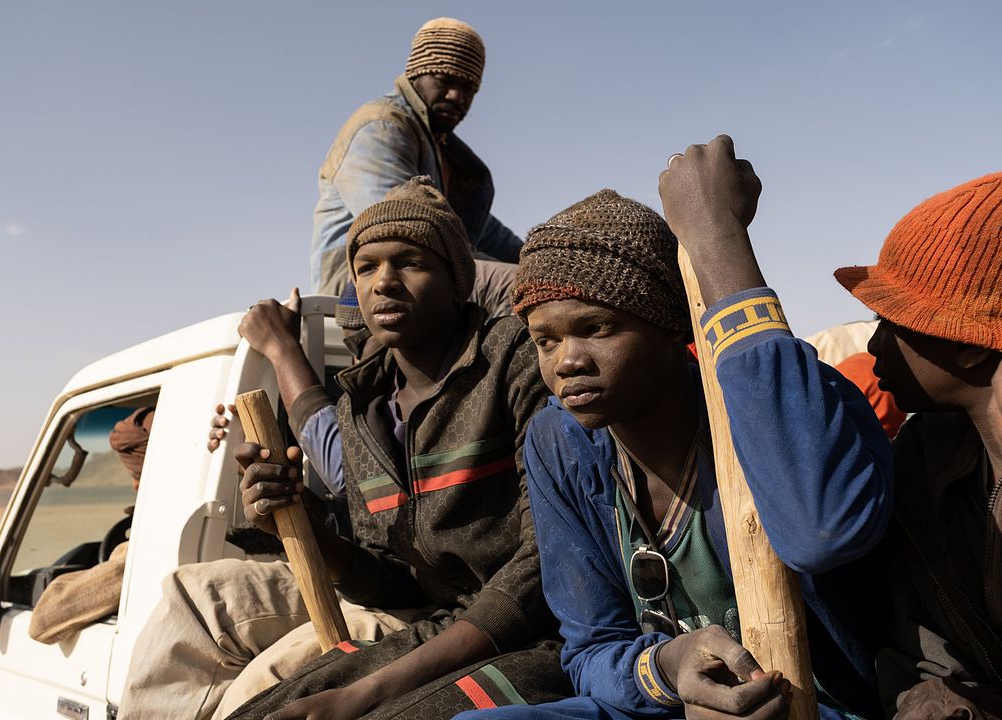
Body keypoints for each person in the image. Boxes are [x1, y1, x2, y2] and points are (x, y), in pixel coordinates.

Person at [456, 161, 893, 720]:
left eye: (597, 328)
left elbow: (820, 534)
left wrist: (718, 235)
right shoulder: (559, 442)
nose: (567, 361)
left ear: (669, 324)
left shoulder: (784, 397)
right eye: (544, 340)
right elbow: (590, 648)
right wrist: (667, 666)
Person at [119, 178, 569, 720]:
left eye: (411, 262)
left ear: (458, 281)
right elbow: (394, 577)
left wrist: (368, 691)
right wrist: (304, 524)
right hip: (441, 622)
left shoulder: (515, 364)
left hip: (543, 634)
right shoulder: (363, 407)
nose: (384, 283)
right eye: (368, 268)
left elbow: (545, 565)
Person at [832, 172, 1002, 717]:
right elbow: (929, 637)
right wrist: (932, 691)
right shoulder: (928, 452)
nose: (875, 341)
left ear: (970, 346)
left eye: (892, 320)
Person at [311, 17, 520, 317]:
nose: (457, 97)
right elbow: (403, 229)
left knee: (549, 277)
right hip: (358, 287)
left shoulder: (439, 146)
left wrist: (543, 254)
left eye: (468, 88)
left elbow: (487, 232)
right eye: (445, 81)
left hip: (418, 271)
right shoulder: (381, 126)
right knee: (518, 286)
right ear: (417, 75)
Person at [29, 407, 153, 644]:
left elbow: (42, 622)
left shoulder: (140, 556)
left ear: (141, 483)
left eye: (134, 476)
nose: (135, 486)